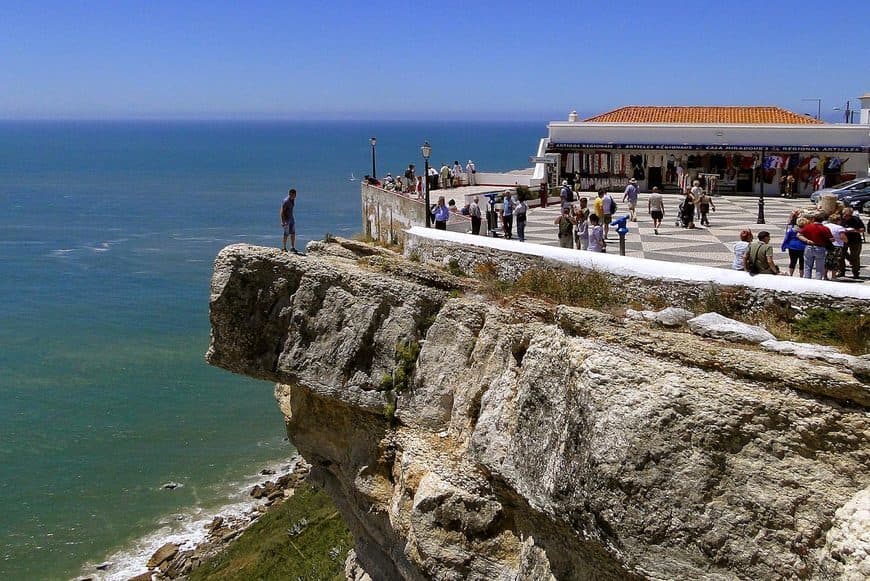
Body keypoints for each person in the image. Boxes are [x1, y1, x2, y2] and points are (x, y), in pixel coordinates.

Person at [796, 214, 834, 280]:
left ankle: (807, 280)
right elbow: (831, 239)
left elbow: (799, 235)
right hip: (820, 248)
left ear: (813, 219)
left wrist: (807, 240)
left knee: (807, 266)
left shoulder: (808, 227)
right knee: (819, 268)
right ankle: (818, 281)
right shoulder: (825, 228)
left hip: (809, 247)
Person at [841, 208, 865, 279]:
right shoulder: (840, 219)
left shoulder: (856, 219)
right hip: (843, 240)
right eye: (845, 215)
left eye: (849, 215)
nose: (847, 217)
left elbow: (863, 229)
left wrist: (854, 230)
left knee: (855, 257)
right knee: (841, 256)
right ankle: (841, 271)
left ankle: (855, 272)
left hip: (855, 240)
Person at [822, 215, 848, 279]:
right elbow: (842, 237)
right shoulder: (839, 228)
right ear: (838, 220)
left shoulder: (825, 226)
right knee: (835, 261)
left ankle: (825, 275)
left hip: (826, 245)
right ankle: (833, 276)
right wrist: (846, 241)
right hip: (837, 246)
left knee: (826, 261)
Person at [280, 188, 298, 253]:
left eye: (295, 195)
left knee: (293, 233)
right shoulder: (286, 201)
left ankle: (292, 247)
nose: (295, 196)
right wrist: (282, 221)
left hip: (291, 218)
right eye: (294, 195)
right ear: (290, 194)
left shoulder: (292, 200)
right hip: (286, 219)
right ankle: (284, 247)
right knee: (286, 234)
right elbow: (282, 211)